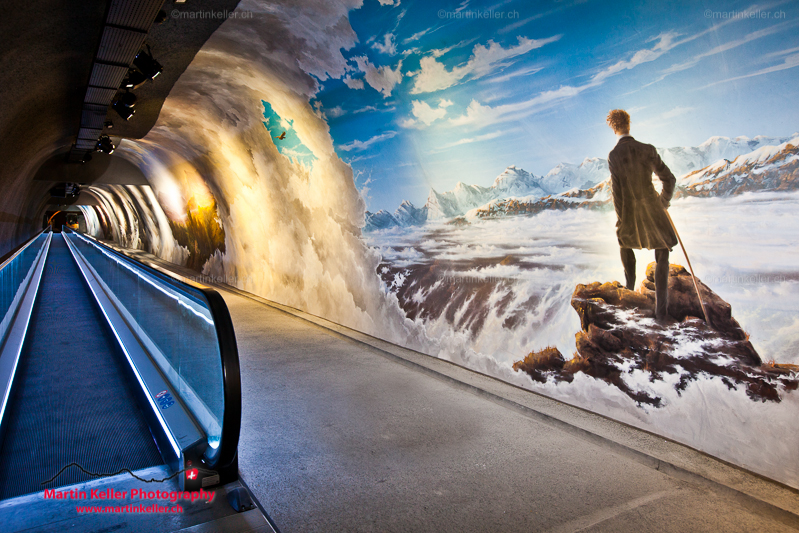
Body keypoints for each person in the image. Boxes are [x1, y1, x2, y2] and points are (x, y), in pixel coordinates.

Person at [606, 109, 677, 320]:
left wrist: (622, 220)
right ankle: (661, 314)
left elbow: (617, 193)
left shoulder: (614, 155)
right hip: (653, 211)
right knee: (663, 251)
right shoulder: (647, 150)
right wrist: (662, 202)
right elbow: (669, 179)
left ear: (613, 128)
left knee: (624, 244)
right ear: (629, 123)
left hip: (630, 214)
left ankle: (628, 294)